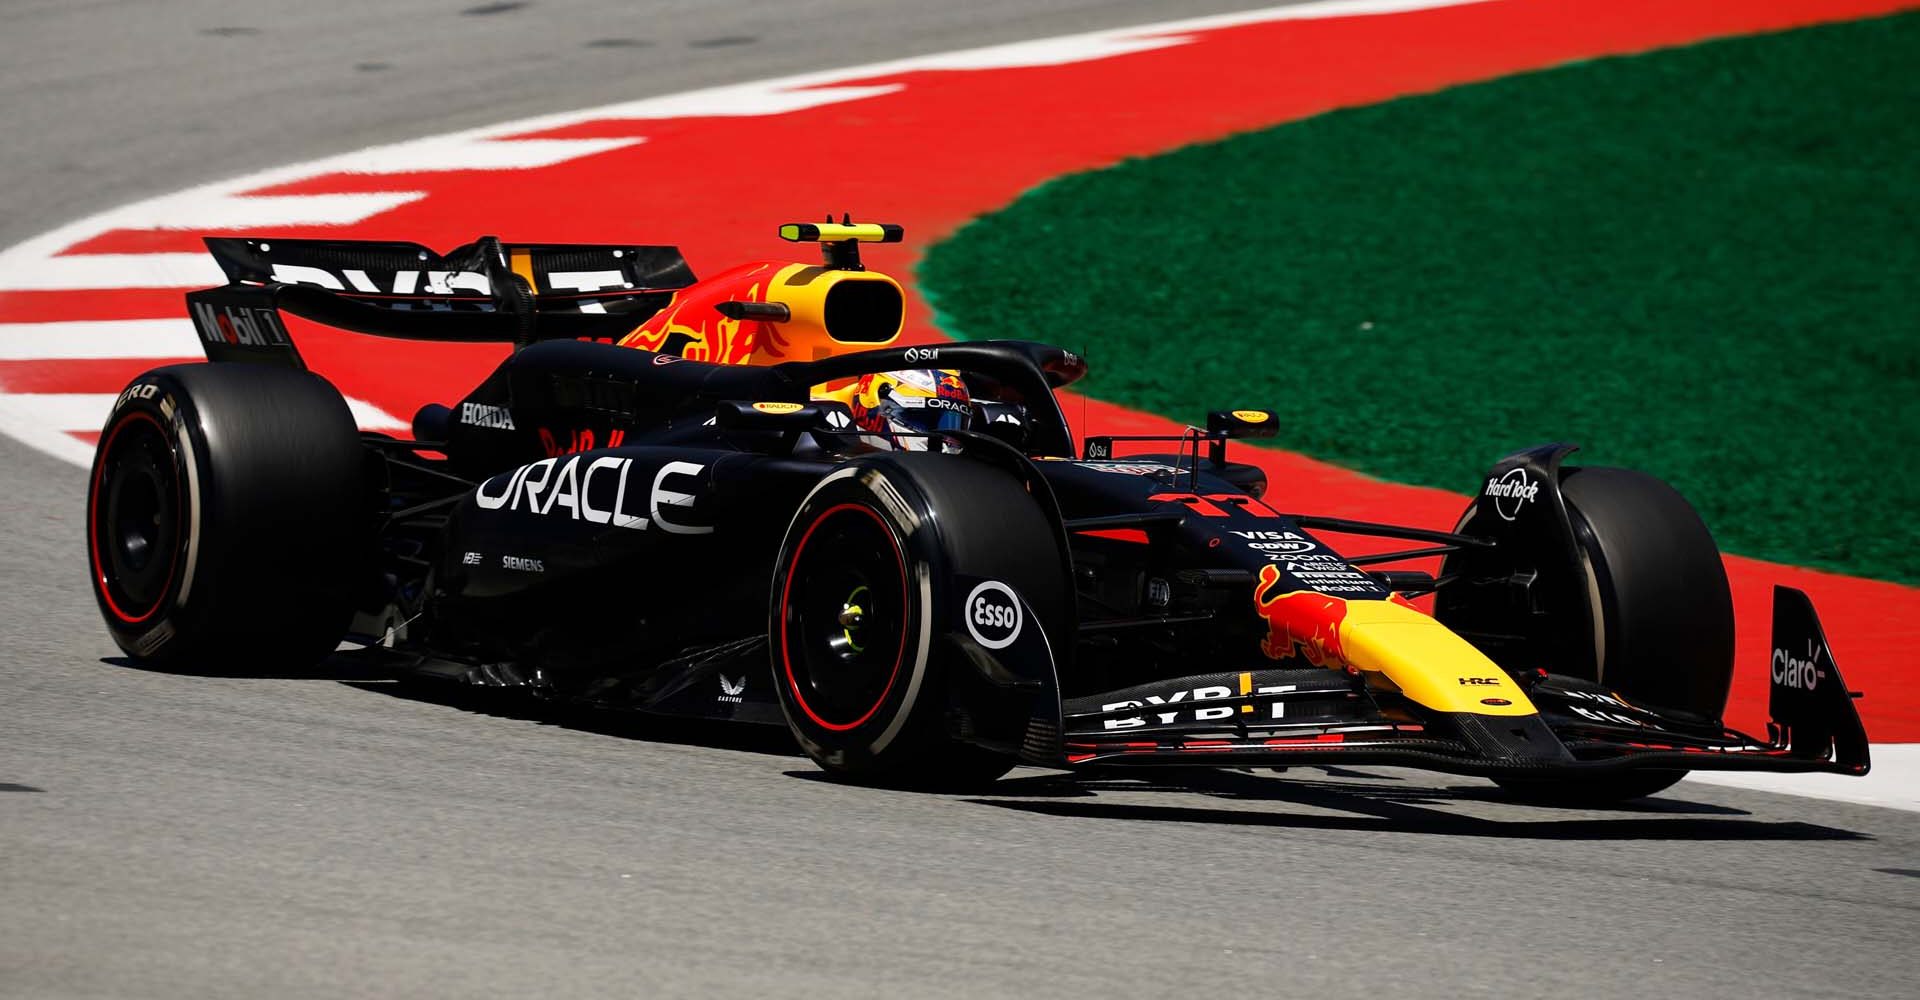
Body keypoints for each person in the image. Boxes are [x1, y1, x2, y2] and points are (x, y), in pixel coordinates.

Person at [822, 368, 972, 451]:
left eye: (950, 424)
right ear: (875, 401)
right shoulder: (815, 416)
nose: (945, 446)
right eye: (922, 419)